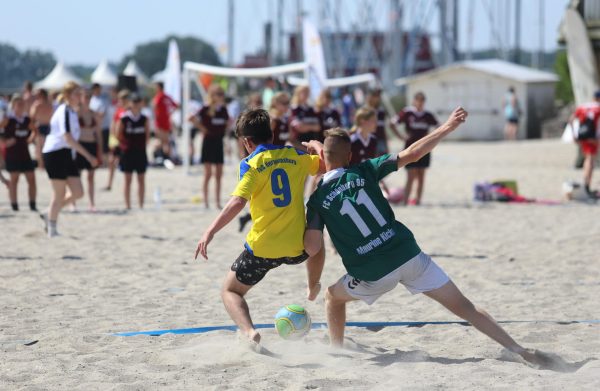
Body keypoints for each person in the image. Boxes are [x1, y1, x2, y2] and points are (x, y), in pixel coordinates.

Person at [302, 110, 549, 367]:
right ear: (350, 156)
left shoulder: (318, 200)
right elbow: (413, 153)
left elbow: (314, 247)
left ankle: (337, 351)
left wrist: (312, 284)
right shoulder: (364, 170)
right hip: (409, 256)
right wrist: (447, 127)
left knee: (332, 297)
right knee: (464, 306)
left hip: (373, 274)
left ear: (321, 160)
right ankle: (517, 348)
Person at [194, 108, 325, 346]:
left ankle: (249, 331)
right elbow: (327, 167)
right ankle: (312, 284)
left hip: (262, 249)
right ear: (272, 135)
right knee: (316, 236)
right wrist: (318, 147)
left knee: (230, 291)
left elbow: (237, 202)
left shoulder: (251, 164)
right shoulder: (294, 155)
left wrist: (209, 231)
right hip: (298, 249)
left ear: (246, 142)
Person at [40, 82, 98, 238]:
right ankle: (52, 228)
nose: (79, 97)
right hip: (55, 153)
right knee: (58, 194)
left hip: (66, 153)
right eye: (76, 94)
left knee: (78, 192)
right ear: (67, 95)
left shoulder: (72, 112)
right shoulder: (64, 110)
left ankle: (49, 212)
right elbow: (67, 137)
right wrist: (88, 155)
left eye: (80, 94)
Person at [393, 92, 439, 205]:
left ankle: (418, 200)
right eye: (418, 100)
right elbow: (392, 123)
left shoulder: (427, 115)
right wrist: (401, 137)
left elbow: (439, 126)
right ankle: (405, 201)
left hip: (424, 147)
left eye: (422, 101)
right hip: (410, 148)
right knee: (411, 175)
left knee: (421, 175)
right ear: (414, 101)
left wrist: (430, 137)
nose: (420, 103)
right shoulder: (408, 112)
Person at [189, 84, 230, 209]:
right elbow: (190, 118)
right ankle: (206, 202)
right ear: (212, 95)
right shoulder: (205, 108)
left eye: (222, 94)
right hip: (208, 142)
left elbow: (228, 123)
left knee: (219, 174)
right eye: (219, 94)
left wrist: (226, 135)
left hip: (218, 142)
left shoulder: (223, 110)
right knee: (208, 174)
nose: (221, 96)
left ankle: (217, 202)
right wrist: (203, 129)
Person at [0, 95, 37, 211]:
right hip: (12, 154)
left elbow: (35, 130)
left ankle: (32, 204)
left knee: (31, 178)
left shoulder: (26, 119)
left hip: (24, 152)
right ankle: (14, 205)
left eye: (22, 104)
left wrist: (31, 139)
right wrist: (4, 142)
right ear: (14, 105)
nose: (21, 106)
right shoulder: (8, 119)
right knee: (14, 180)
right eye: (18, 104)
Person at [117, 93, 149, 209]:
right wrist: (124, 146)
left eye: (138, 102)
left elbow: (147, 135)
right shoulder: (124, 118)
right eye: (134, 102)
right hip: (127, 152)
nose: (136, 105)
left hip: (140, 151)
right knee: (128, 180)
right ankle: (128, 205)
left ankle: (141, 205)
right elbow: (118, 134)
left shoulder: (144, 118)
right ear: (130, 103)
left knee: (141, 179)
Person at [569, 90, 600, 198]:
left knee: (588, 158)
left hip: (582, 136)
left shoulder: (583, 106)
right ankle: (586, 185)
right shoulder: (598, 107)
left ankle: (587, 184)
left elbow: (571, 120)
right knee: (590, 160)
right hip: (593, 137)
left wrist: (573, 134)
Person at [75, 90, 102, 211]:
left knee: (91, 176)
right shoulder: (76, 113)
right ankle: (73, 202)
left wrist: (100, 150)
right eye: (85, 97)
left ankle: (91, 203)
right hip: (80, 145)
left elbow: (98, 133)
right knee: (76, 175)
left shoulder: (94, 114)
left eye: (89, 98)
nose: (87, 100)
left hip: (91, 145)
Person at [104, 90, 130, 191]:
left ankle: (124, 185)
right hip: (116, 140)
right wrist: (112, 139)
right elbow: (113, 124)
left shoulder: (128, 111)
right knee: (111, 161)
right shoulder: (119, 111)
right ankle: (109, 183)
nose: (120, 102)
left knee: (123, 163)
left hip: (124, 141)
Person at [152, 82, 178, 162]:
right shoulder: (167, 97)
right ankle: (167, 158)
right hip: (166, 122)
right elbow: (176, 105)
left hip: (160, 122)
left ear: (159, 87)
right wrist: (169, 113)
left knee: (160, 141)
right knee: (165, 141)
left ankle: (159, 157)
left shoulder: (159, 97)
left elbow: (154, 107)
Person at [289, 86, 321, 150]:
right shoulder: (294, 109)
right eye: (304, 92)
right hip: (298, 145)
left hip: (311, 145)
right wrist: (311, 127)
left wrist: (306, 126)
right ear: (298, 93)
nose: (306, 94)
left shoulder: (311, 109)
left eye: (307, 92)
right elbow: (299, 128)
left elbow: (318, 127)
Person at [29, 89, 54, 170]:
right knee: (45, 147)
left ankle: (41, 165)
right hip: (47, 126)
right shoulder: (49, 104)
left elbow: (32, 117)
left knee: (40, 147)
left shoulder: (37, 105)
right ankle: (44, 164)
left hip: (41, 126)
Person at [89, 83, 111, 164]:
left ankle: (105, 162)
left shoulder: (103, 99)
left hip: (103, 126)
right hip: (94, 127)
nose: (97, 91)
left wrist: (93, 116)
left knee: (105, 146)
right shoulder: (91, 100)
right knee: (96, 144)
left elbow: (102, 113)